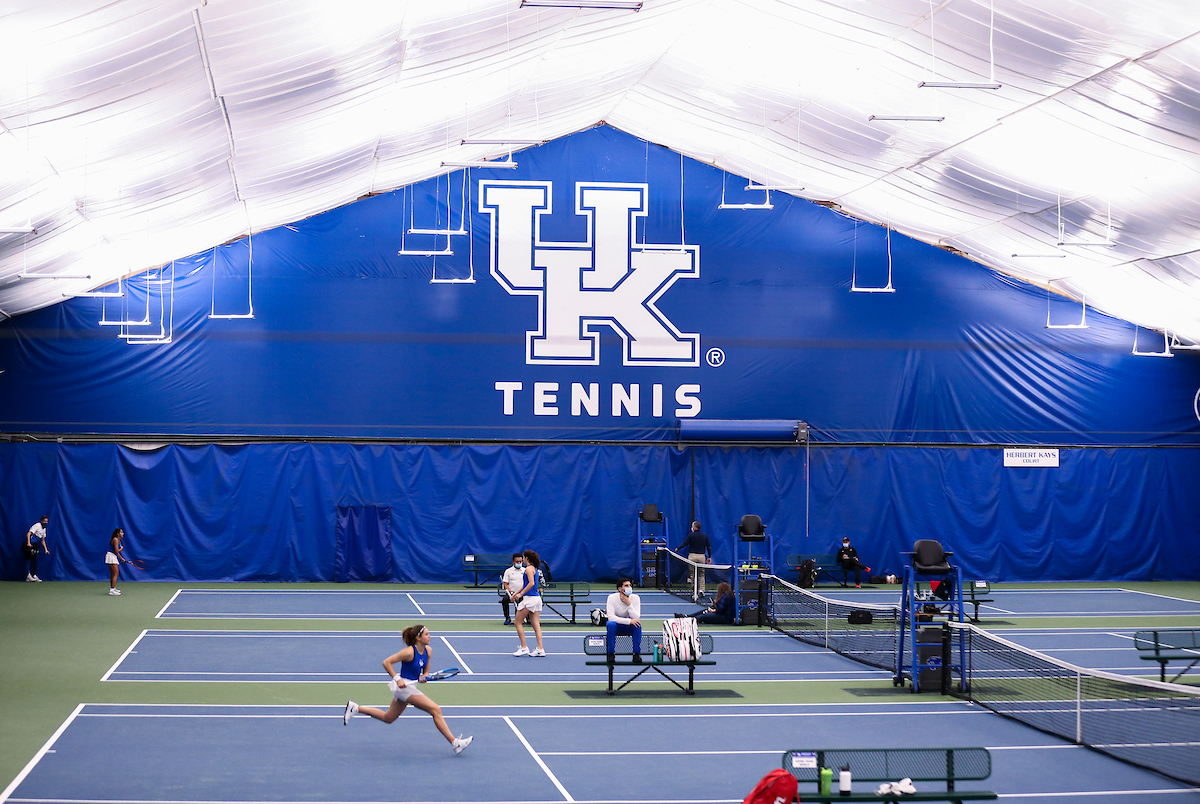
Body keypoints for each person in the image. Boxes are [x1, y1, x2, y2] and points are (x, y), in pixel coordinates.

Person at [342, 624, 473, 755]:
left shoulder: (428, 651)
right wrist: (397, 679)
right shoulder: (409, 652)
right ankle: (455, 743)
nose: (430, 636)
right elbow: (386, 662)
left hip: (410, 687)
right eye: (427, 634)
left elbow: (426, 672)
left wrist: (424, 676)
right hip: (403, 688)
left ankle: (355, 708)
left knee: (388, 718)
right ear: (418, 638)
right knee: (436, 710)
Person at [512, 549, 546, 657]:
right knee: (536, 624)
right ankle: (540, 649)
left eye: (523, 557)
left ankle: (524, 647)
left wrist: (521, 594)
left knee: (517, 622)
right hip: (535, 599)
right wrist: (515, 594)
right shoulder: (533, 569)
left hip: (530, 599)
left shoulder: (528, 569)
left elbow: (531, 583)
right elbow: (525, 584)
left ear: (526, 558)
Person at [605, 579, 642, 662]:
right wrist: (629, 621)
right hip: (616, 626)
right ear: (619, 589)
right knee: (610, 625)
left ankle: (636, 654)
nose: (629, 587)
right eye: (626, 585)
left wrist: (629, 604)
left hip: (629, 627)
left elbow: (636, 617)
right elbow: (611, 617)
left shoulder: (635, 598)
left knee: (637, 625)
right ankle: (610, 654)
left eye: (630, 585)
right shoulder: (611, 598)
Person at [676, 520, 713, 600]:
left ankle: (694, 590)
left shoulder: (691, 535)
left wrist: (678, 548)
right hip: (701, 557)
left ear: (695, 527)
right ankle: (701, 590)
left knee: (692, 574)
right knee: (701, 574)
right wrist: (709, 557)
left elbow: (684, 543)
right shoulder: (705, 536)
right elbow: (708, 547)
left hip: (692, 556)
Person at [499, 552, 525, 625]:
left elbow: (528, 584)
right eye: (517, 562)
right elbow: (505, 584)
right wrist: (511, 592)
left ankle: (521, 619)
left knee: (524, 602)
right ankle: (507, 618)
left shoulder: (525, 571)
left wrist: (521, 593)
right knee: (504, 600)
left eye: (520, 561)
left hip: (522, 593)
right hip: (511, 593)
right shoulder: (508, 571)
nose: (519, 563)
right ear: (513, 562)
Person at [23, 515, 50, 582]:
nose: (45, 523)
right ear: (41, 521)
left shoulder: (44, 529)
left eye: (47, 521)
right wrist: (28, 543)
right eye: (44, 521)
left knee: (34, 559)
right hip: (30, 544)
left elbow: (42, 540)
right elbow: (28, 534)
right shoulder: (37, 525)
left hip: (35, 545)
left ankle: (34, 575)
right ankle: (28, 575)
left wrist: (46, 549)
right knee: (28, 559)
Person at [105, 527, 130, 595]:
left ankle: (113, 588)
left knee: (113, 573)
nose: (123, 533)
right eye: (121, 532)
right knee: (116, 573)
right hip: (111, 557)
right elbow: (116, 551)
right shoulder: (116, 540)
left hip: (112, 556)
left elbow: (115, 552)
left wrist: (121, 558)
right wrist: (121, 548)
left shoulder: (117, 540)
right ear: (118, 534)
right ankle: (112, 590)